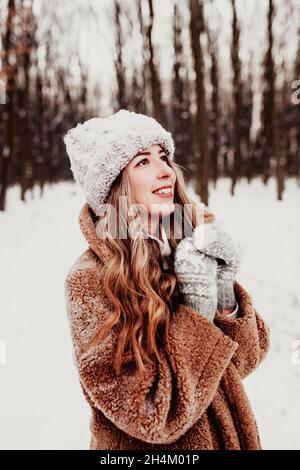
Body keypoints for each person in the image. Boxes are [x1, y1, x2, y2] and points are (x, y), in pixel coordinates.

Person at [63, 109, 270, 450]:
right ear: (115, 185)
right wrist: (197, 311)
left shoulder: (187, 246)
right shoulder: (90, 281)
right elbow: (150, 416)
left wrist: (223, 292)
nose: (166, 172)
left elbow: (244, 361)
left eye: (164, 157)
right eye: (142, 162)